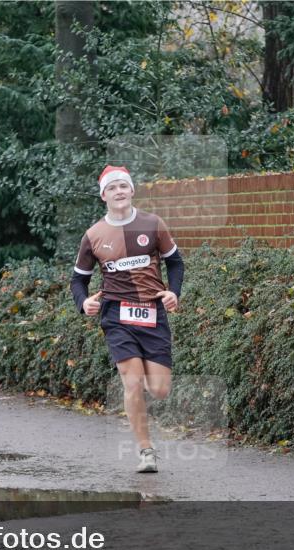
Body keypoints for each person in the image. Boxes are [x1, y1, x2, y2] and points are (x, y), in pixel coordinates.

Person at [70, 165, 185, 473]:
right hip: (116, 315)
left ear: (132, 190)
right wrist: (84, 304)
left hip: (152, 312)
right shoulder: (93, 235)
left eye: (124, 185)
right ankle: (146, 451)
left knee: (159, 389)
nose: (119, 191)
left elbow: (175, 263)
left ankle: (145, 394)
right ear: (103, 196)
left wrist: (173, 292)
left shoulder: (152, 224)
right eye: (112, 187)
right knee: (131, 382)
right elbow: (78, 281)